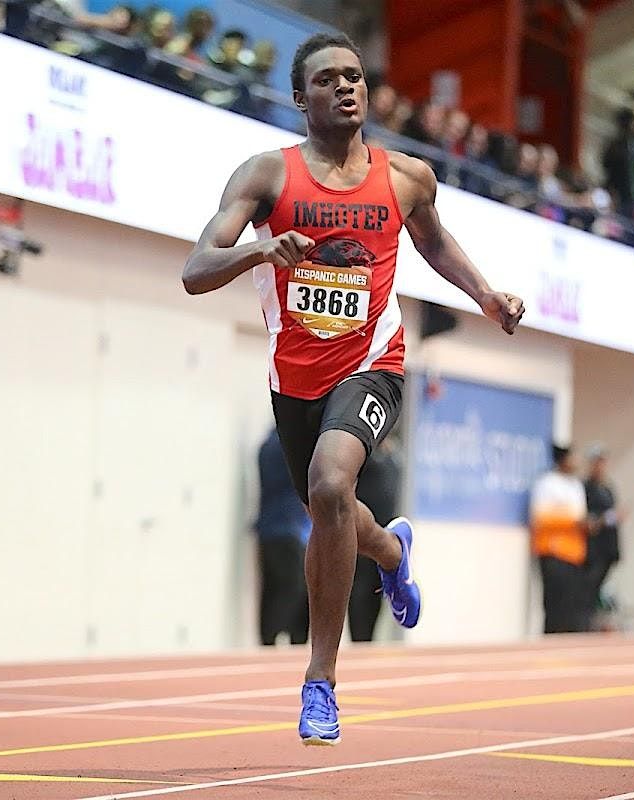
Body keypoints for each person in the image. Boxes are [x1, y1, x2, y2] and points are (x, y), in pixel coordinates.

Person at [181, 32, 524, 746]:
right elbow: (196, 266)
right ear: (301, 98)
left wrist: (486, 295)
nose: (347, 87)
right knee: (334, 510)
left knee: (332, 488)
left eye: (356, 77)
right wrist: (259, 248)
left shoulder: (405, 177)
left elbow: (432, 241)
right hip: (294, 378)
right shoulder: (266, 176)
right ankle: (392, 555)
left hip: (373, 362)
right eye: (329, 79)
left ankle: (321, 682)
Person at [254, 428, 311, 646]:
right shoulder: (289, 443)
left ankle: (268, 642)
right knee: (295, 589)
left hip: (272, 527)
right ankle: (277, 641)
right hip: (290, 528)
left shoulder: (267, 444)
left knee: (272, 589)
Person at [349, 430, 402, 642]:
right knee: (360, 588)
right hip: (362, 536)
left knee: (377, 590)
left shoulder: (392, 458)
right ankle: (359, 638)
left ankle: (367, 638)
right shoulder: (364, 458)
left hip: (384, 535)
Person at [530, 444, 589, 634]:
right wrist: (572, 520)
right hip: (553, 551)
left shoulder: (576, 485)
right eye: (573, 457)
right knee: (554, 604)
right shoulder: (547, 483)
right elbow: (541, 516)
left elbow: (582, 516)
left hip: (574, 553)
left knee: (571, 605)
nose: (577, 462)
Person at [583, 444, 621, 628]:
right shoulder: (586, 488)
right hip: (593, 549)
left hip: (608, 548)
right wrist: (605, 519)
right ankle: (586, 625)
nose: (601, 466)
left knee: (599, 589)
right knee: (588, 590)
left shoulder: (608, 488)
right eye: (598, 462)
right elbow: (589, 521)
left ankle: (595, 623)